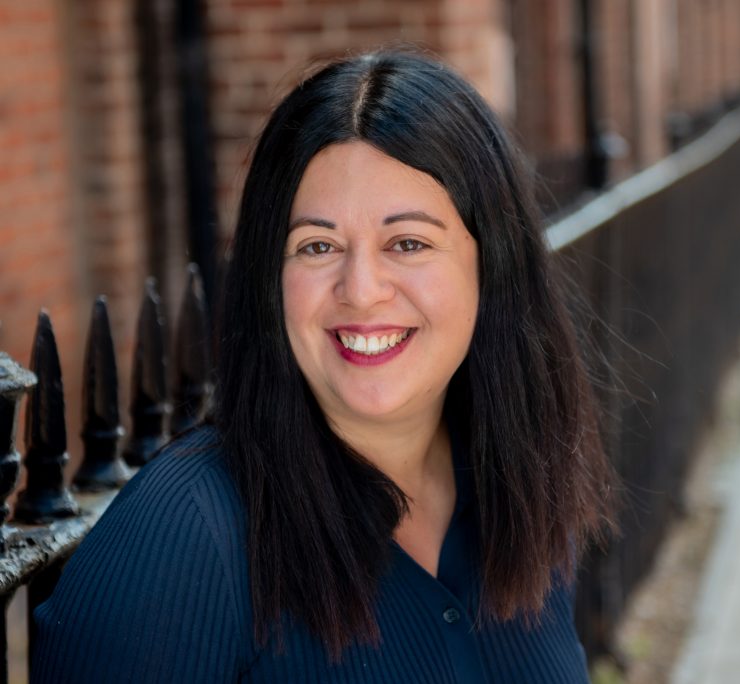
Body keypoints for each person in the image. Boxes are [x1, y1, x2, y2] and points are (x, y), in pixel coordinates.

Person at [32, 50, 617, 682]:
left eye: (408, 243)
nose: (361, 289)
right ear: (270, 278)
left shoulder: (518, 491)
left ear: (493, 265)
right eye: (318, 246)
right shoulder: (184, 540)